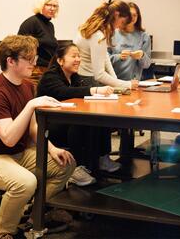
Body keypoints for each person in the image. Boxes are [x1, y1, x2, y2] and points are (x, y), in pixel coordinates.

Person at [0, 35, 75, 239]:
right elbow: (8, 138)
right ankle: (2, 233)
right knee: (25, 183)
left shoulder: (27, 86)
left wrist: (52, 149)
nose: (35, 63)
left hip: (18, 152)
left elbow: (32, 128)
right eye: (29, 59)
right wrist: (30, 105)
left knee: (66, 163)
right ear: (11, 61)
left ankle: (34, 217)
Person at [37, 43, 119, 181]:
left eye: (79, 56)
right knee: (79, 124)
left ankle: (100, 159)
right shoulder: (50, 76)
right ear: (60, 60)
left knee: (99, 119)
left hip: (66, 117)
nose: (78, 59)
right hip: (49, 123)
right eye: (73, 56)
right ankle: (76, 168)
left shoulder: (74, 76)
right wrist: (94, 90)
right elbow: (64, 92)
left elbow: (82, 89)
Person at [74, 0, 138, 89]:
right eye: (122, 22)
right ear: (116, 15)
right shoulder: (98, 36)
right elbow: (99, 75)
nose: (119, 26)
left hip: (82, 78)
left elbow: (104, 56)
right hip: (88, 81)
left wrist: (116, 81)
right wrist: (127, 84)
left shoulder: (90, 28)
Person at [18, 0, 59, 85]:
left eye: (55, 6)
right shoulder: (32, 22)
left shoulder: (50, 25)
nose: (52, 8)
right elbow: (21, 48)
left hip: (47, 70)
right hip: (34, 72)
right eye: (48, 5)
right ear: (41, 5)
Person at [109, 2, 151, 80]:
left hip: (133, 83)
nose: (132, 18)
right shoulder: (112, 34)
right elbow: (104, 60)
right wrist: (118, 57)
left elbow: (147, 64)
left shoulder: (144, 36)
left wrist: (142, 56)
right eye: (130, 15)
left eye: (135, 15)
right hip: (113, 81)